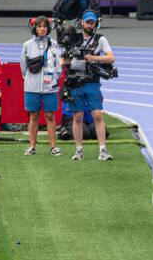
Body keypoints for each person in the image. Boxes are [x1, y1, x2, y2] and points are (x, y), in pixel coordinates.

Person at [61, 10, 115, 161]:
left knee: (97, 114)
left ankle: (103, 150)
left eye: (92, 22)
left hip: (91, 81)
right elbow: (62, 61)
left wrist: (93, 58)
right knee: (77, 116)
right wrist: (65, 62)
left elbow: (111, 58)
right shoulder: (72, 38)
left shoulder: (100, 39)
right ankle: (79, 151)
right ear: (82, 23)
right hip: (74, 81)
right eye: (87, 22)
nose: (90, 25)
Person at [21, 15, 63, 156]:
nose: (42, 29)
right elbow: (23, 67)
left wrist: (54, 79)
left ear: (48, 28)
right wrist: (30, 80)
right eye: (39, 26)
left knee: (50, 116)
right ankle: (32, 146)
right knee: (33, 116)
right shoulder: (27, 45)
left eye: (45, 26)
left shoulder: (55, 43)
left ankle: (53, 147)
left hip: (50, 87)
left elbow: (59, 65)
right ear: (35, 28)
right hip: (32, 87)